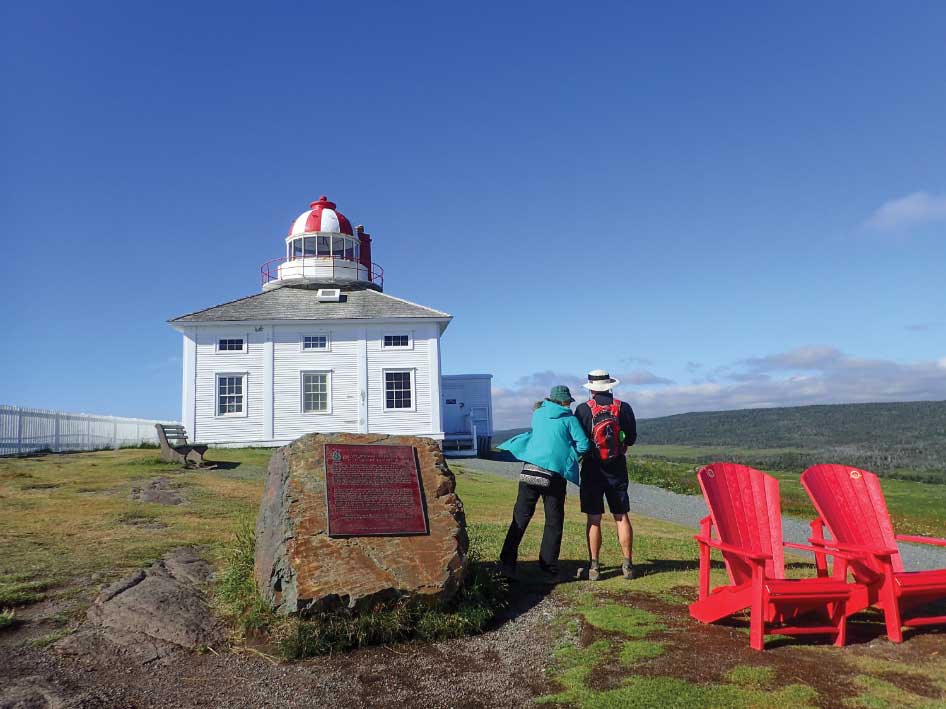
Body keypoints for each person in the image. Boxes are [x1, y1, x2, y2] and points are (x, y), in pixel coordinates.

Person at [497, 385, 590, 581]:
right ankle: (548, 567)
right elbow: (584, 445)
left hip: (530, 470)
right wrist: (570, 454)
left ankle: (506, 563)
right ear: (564, 401)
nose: (569, 404)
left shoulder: (538, 414)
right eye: (568, 401)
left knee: (520, 518)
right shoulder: (569, 419)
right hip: (554, 475)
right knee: (553, 521)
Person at [574, 369, 638, 581]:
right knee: (621, 516)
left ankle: (594, 566)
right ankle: (627, 564)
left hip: (592, 467)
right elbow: (631, 439)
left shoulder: (583, 409)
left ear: (591, 388)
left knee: (594, 518)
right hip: (617, 466)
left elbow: (580, 442)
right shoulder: (623, 407)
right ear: (610, 386)